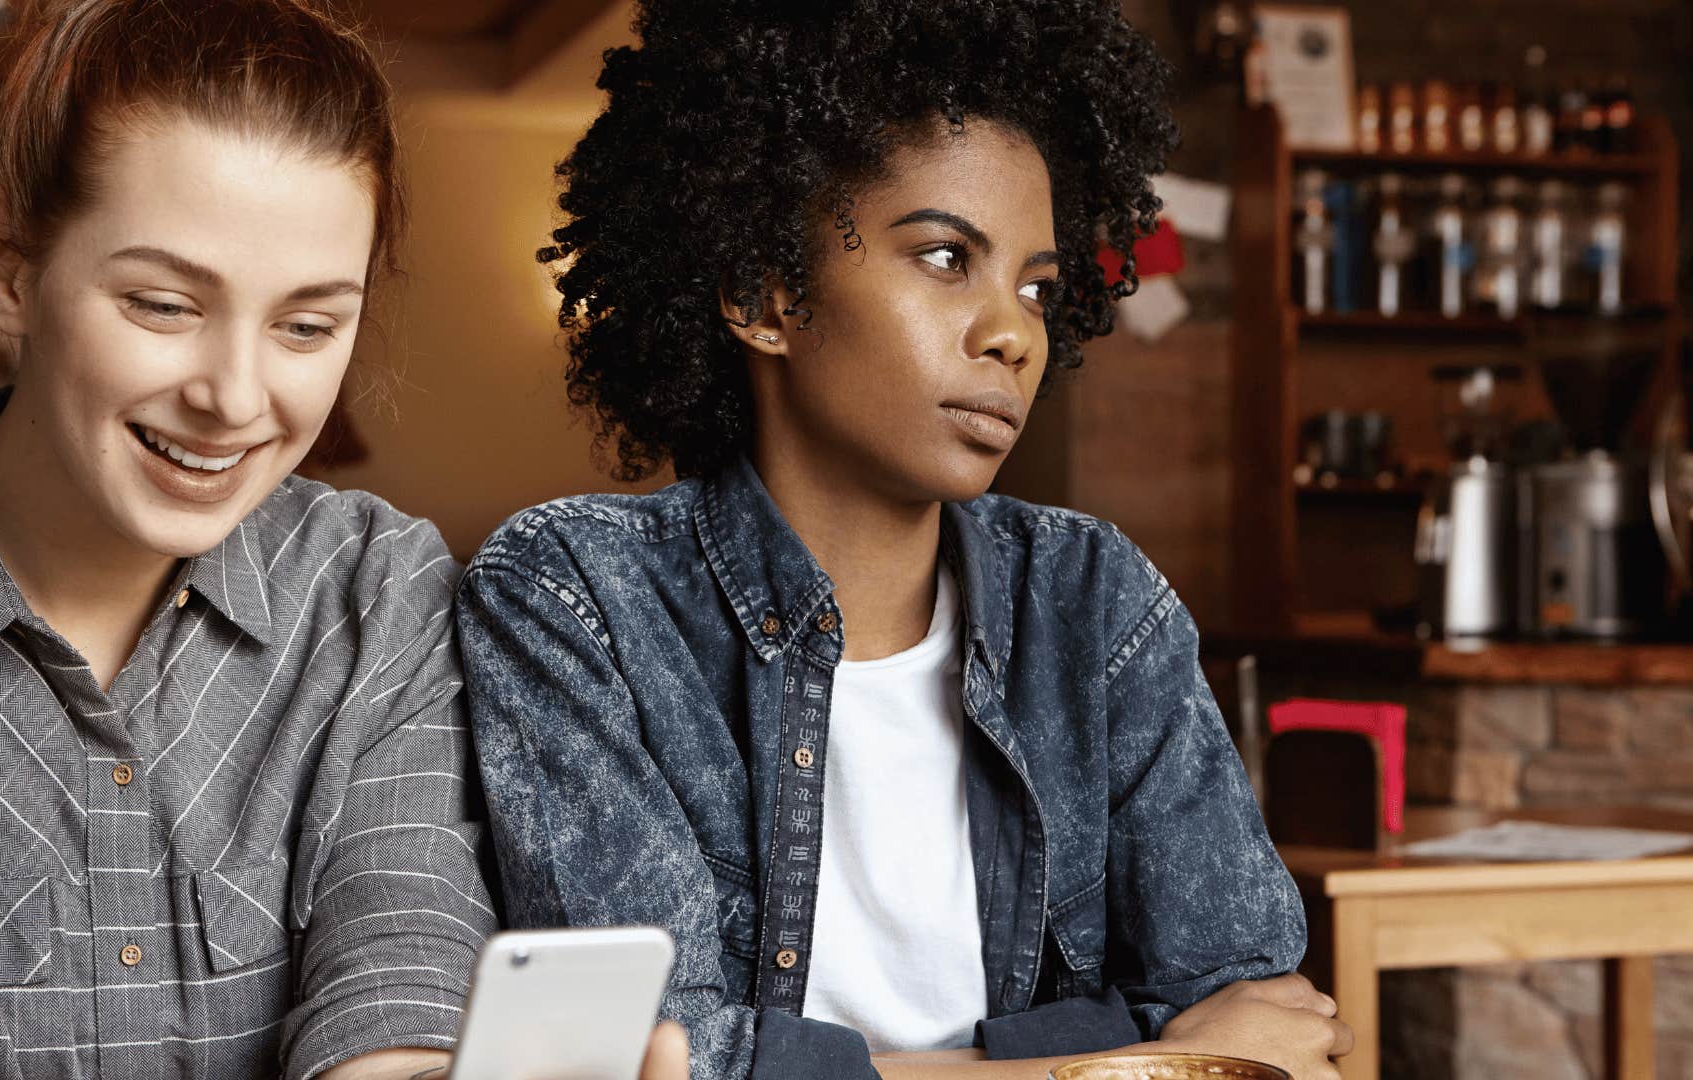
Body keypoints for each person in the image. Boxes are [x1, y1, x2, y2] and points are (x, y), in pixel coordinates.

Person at [0, 2, 687, 1078]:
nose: (235, 397)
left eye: (306, 326)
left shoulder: (376, 591)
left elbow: (398, 964)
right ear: (8, 269)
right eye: (163, 304)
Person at [456, 1, 1351, 1078]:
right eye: (942, 257)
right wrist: (1094, 1058)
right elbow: (648, 1051)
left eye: (1037, 287)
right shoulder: (573, 595)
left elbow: (1262, 1009)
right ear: (764, 295)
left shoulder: (1093, 597)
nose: (1013, 331)